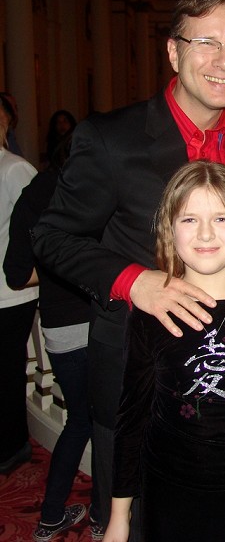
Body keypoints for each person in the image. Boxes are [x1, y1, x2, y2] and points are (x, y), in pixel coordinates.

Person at [33, 0, 225, 534]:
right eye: (206, 42)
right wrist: (134, 280)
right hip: (135, 377)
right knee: (132, 525)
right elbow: (52, 236)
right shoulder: (111, 139)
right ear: (174, 51)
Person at [102, 161, 225, 542]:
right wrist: (119, 515)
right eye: (189, 219)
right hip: (169, 490)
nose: (205, 233)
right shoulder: (152, 312)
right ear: (170, 229)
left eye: (221, 218)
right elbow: (132, 415)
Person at [3, 132, 102, 540]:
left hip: (58, 329)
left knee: (80, 421)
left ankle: (50, 516)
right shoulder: (91, 193)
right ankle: (103, 517)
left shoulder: (34, 193)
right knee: (107, 424)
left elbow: (16, 274)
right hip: (99, 325)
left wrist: (53, 275)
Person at [0, 95, 38, 474]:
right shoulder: (11, 168)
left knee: (8, 371)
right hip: (6, 290)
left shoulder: (14, 168)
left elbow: (37, 228)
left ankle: (12, 445)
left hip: (11, 292)